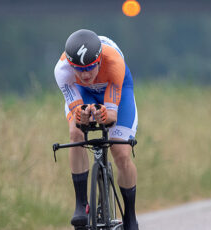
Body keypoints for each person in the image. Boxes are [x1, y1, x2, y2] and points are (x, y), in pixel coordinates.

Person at [54, 29, 139, 230]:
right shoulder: (62, 70)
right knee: (76, 132)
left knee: (120, 152)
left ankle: (130, 215)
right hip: (84, 94)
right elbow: (76, 110)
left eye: (90, 68)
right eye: (79, 69)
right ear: (71, 65)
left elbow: (111, 117)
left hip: (116, 87)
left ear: (99, 61)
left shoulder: (114, 62)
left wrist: (104, 115)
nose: (85, 74)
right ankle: (81, 204)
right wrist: (81, 116)